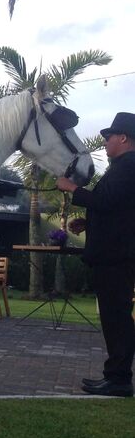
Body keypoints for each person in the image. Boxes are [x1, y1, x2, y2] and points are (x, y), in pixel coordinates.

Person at [57, 111, 135, 398]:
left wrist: (72, 188)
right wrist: (89, 223)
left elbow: (104, 200)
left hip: (116, 256)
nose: (105, 142)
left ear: (123, 138)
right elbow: (121, 210)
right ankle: (114, 376)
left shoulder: (128, 166)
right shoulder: (124, 166)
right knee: (115, 317)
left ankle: (119, 379)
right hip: (116, 254)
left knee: (117, 318)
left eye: (109, 136)